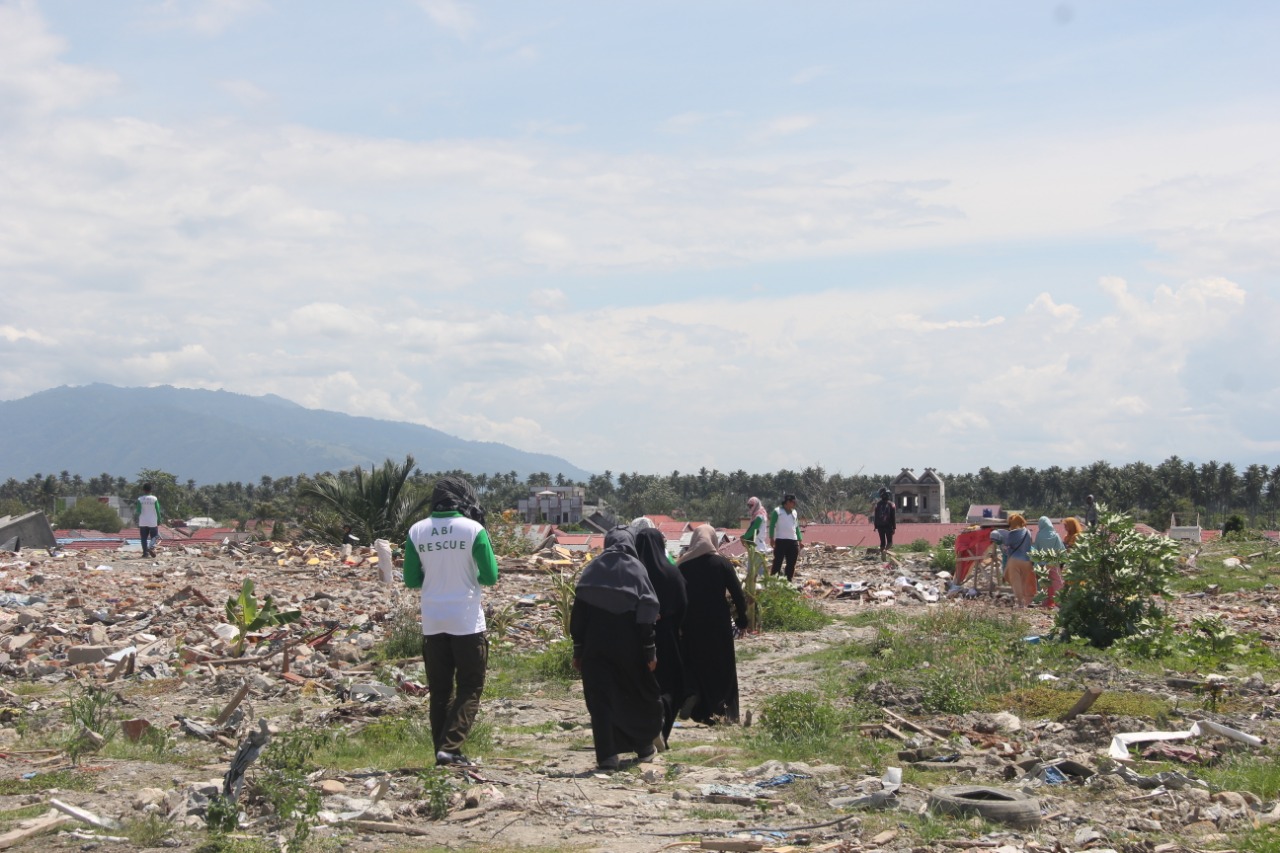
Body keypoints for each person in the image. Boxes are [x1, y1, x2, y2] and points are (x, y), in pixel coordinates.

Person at [403, 475, 498, 767]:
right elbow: (490, 576)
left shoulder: (417, 531)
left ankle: (441, 752)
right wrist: (469, 576)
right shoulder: (473, 529)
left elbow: (411, 580)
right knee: (470, 686)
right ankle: (451, 748)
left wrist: (435, 576)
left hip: (433, 621)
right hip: (466, 621)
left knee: (440, 690)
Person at [571, 526, 664, 771]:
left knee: (600, 701)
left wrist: (578, 651)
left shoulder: (592, 569)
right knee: (635, 695)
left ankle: (607, 758)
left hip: (595, 648)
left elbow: (578, 615)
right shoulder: (636, 568)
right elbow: (646, 614)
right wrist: (650, 650)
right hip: (630, 649)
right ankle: (644, 747)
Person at [678, 525, 749, 725]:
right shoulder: (722, 563)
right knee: (722, 666)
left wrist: (678, 623)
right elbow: (738, 595)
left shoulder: (683, 565)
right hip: (718, 623)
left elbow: (677, 596)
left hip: (692, 622)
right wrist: (742, 621)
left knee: (696, 662)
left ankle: (697, 701)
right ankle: (724, 711)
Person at [632, 525, 687, 748]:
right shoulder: (672, 572)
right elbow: (683, 603)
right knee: (671, 684)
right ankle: (662, 726)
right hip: (668, 635)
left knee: (641, 685)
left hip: (637, 636)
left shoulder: (633, 574)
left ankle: (646, 731)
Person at [990, 513, 1035, 607]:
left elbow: (1006, 546)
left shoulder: (1012, 534)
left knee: (1015, 581)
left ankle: (1020, 602)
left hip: (1014, 560)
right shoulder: (1028, 532)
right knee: (1023, 581)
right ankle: (1026, 601)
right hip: (1027, 561)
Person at [768, 494, 803, 581]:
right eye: (793, 502)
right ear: (787, 502)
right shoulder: (777, 511)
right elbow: (772, 525)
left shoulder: (794, 512)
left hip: (793, 540)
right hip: (781, 540)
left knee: (791, 563)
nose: (794, 504)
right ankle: (773, 581)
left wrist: (800, 539)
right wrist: (771, 538)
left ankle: (788, 581)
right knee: (778, 562)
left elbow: (796, 527)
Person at [1033, 516, 1066, 607]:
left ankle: (1045, 603)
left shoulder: (1039, 535)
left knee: (1044, 584)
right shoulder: (1055, 535)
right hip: (1053, 563)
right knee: (1057, 582)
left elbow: (1036, 550)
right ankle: (1060, 601)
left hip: (1042, 564)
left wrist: (1036, 564)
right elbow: (1061, 549)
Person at [134, 483, 163, 558]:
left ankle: (145, 553)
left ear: (143, 490)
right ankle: (151, 547)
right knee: (154, 536)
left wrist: (137, 519)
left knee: (143, 538)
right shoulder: (154, 499)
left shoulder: (140, 499)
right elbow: (157, 510)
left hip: (143, 521)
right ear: (151, 490)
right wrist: (159, 519)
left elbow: (138, 511)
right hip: (152, 521)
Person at [872, 488, 896, 555]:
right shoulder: (892, 504)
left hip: (880, 526)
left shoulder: (878, 504)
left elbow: (876, 516)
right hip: (888, 526)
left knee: (882, 542)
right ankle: (885, 552)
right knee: (890, 542)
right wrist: (894, 527)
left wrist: (875, 526)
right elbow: (893, 517)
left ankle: (881, 552)